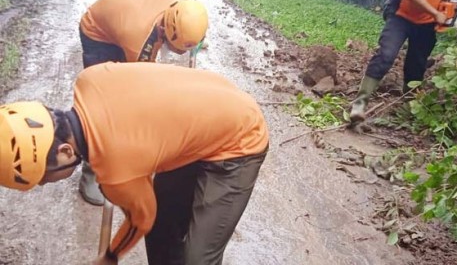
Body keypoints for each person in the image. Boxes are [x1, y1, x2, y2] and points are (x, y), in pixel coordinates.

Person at [0, 62, 269, 265]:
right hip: (211, 106)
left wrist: (110, 256)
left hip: (239, 137)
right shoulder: (89, 79)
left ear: (65, 151)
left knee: (197, 258)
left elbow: (142, 219)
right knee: (164, 228)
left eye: (44, 178)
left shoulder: (115, 172)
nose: (46, 184)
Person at [77, 0, 209, 206]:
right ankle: (91, 173)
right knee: (106, 106)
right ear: (163, 32)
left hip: (123, 17)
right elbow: (141, 93)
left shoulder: (185, 2)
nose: (180, 54)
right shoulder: (138, 41)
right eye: (176, 48)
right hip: (98, 33)